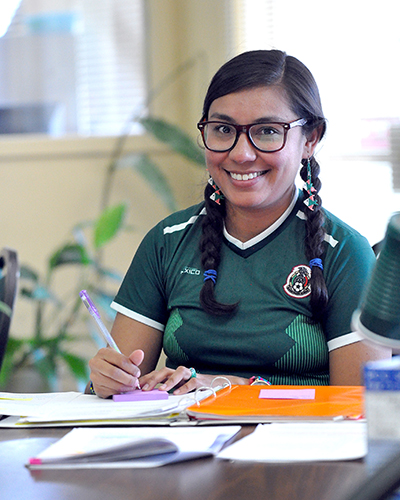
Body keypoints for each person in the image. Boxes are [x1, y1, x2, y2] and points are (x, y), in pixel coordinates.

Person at [87, 49, 391, 399]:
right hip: (182, 444)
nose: (241, 153)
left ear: (310, 139)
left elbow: (361, 406)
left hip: (298, 448)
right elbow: (120, 393)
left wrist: (235, 389)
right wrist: (108, 380)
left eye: (266, 131)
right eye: (222, 129)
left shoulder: (345, 252)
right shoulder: (167, 242)